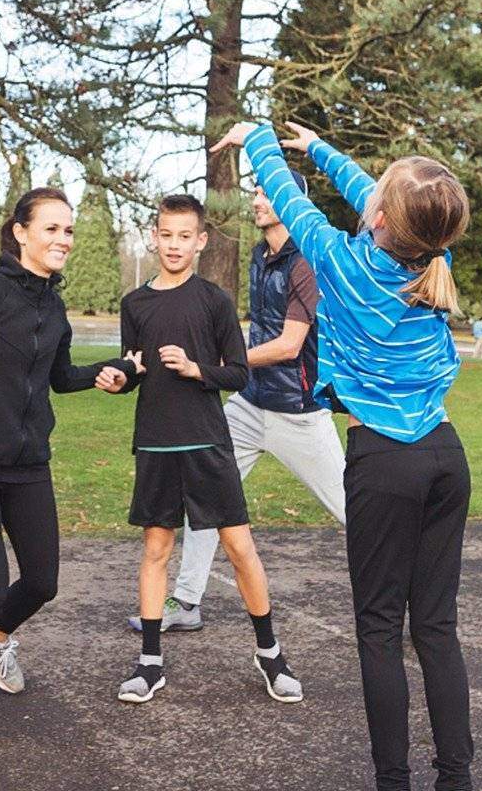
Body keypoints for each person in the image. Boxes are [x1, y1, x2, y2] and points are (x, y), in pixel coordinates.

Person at [212, 120, 473, 791]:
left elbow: (287, 195)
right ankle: (457, 779)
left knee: (381, 630)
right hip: (445, 456)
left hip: (385, 462)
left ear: (380, 217)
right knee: (436, 628)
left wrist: (259, 139)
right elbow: (386, 201)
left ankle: (394, 781)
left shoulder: (340, 259)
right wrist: (320, 150)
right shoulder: (434, 256)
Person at [0, 187, 137, 750]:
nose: (64, 239)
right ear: (20, 232)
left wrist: (107, 372)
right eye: (52, 229)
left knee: (42, 582)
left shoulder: (54, 307)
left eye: (69, 230)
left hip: (29, 465)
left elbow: (59, 376)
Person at [98, 193, 303, 706]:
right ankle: (150, 664)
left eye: (184, 236)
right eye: (165, 234)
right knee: (156, 551)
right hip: (155, 442)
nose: (173, 244)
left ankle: (270, 654)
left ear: (200, 241)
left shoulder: (214, 301)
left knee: (239, 548)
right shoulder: (134, 303)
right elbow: (135, 369)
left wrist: (195, 369)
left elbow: (236, 371)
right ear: (154, 235)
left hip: (208, 442)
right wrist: (119, 378)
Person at [128, 172, 346, 635]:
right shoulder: (259, 256)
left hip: (297, 409)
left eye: (269, 193)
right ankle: (185, 602)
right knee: (205, 501)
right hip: (249, 404)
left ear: (294, 201)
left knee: (354, 508)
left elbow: (288, 345)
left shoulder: (305, 262)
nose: (258, 199)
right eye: (258, 191)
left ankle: (403, 602)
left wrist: (210, 363)